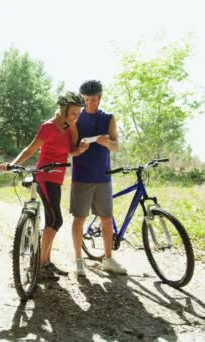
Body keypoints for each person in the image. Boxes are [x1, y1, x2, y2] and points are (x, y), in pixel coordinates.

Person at [0, 91, 89, 280]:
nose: (76, 117)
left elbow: (71, 151)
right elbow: (30, 149)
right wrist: (13, 163)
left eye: (78, 113)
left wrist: (79, 149)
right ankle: (39, 263)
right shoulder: (47, 128)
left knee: (51, 220)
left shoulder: (71, 127)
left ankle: (45, 261)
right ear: (63, 110)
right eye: (74, 113)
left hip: (57, 180)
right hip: (44, 177)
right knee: (56, 220)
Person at [70, 80, 127, 276]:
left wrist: (108, 143)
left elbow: (117, 146)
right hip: (81, 176)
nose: (89, 104)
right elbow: (71, 150)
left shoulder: (109, 118)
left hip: (103, 177)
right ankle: (78, 261)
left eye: (93, 100)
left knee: (106, 219)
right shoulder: (76, 119)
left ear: (100, 98)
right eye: (86, 100)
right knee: (79, 218)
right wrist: (79, 149)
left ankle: (108, 259)